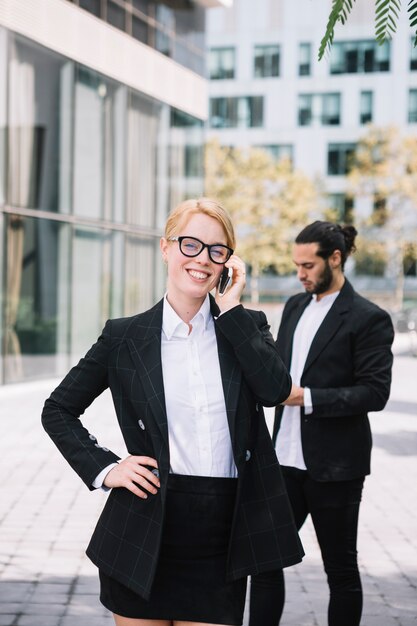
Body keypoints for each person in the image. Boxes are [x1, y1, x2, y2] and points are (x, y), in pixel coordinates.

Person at [42, 197, 303, 626]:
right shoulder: (124, 336)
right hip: (145, 526)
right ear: (165, 248)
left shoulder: (244, 327)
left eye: (217, 250)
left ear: (227, 264)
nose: (202, 259)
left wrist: (233, 308)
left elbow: (275, 391)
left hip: (223, 533)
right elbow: (58, 410)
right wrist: (107, 469)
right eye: (190, 245)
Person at [249, 221, 394, 626]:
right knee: (264, 561)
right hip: (283, 461)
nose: (300, 274)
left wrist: (304, 397)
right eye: (296, 265)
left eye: (308, 265)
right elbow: (279, 368)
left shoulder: (369, 318)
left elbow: (374, 393)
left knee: (340, 571)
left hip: (335, 468)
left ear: (335, 258)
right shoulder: (295, 306)